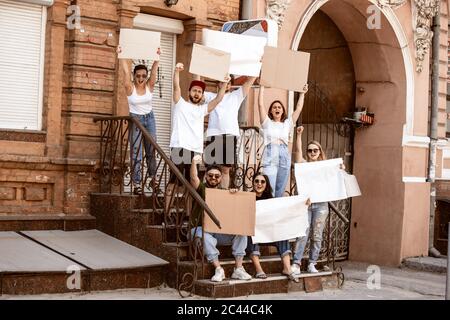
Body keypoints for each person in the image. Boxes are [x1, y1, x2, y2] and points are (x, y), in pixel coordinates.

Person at [189, 155, 252, 282]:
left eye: (216, 176)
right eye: (210, 175)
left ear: (221, 178)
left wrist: (234, 195)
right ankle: (218, 269)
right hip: (199, 230)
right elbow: (193, 178)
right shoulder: (202, 189)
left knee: (242, 232)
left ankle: (238, 269)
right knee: (205, 237)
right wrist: (194, 162)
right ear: (206, 176)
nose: (213, 178)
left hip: (218, 232)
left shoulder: (224, 191)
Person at [291, 126, 344, 274]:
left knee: (317, 235)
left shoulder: (326, 166)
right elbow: (298, 154)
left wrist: (340, 168)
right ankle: (296, 263)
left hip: (321, 205)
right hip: (306, 205)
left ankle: (312, 263)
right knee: (303, 233)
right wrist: (299, 136)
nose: (312, 152)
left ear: (320, 152)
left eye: (315, 150)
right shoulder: (304, 165)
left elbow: (337, 177)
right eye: (310, 150)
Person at [168, 62, 228, 187]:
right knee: (173, 183)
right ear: (189, 91)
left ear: (202, 95)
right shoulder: (180, 104)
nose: (197, 93)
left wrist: (225, 83)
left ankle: (188, 207)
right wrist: (177, 72)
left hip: (195, 150)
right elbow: (176, 87)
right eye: (194, 90)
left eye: (200, 92)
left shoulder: (202, 110)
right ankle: (167, 207)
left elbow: (218, 100)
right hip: (179, 147)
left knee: (193, 183)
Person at [117, 45, 160, 194]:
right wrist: (121, 54)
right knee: (136, 151)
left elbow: (154, 71)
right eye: (138, 76)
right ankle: (136, 184)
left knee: (151, 149)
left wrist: (157, 57)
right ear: (134, 76)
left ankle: (153, 180)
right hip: (135, 120)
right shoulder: (130, 88)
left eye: (143, 76)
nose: (141, 78)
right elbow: (124, 70)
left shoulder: (150, 85)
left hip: (149, 119)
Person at [202, 75, 257, 188]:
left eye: (228, 82)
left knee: (225, 170)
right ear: (218, 84)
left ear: (231, 85)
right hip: (213, 136)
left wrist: (257, 66)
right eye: (222, 82)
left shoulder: (235, 96)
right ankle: (206, 199)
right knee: (209, 170)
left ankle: (223, 198)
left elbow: (249, 82)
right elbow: (198, 92)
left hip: (229, 137)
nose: (225, 84)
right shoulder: (210, 96)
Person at [257, 84, 308, 197]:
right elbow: (260, 105)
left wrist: (302, 94)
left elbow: (298, 109)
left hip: (284, 153)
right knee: (269, 187)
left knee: (280, 188)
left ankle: (276, 212)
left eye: (279, 107)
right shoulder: (267, 123)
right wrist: (262, 87)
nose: (277, 109)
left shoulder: (287, 124)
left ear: (283, 111)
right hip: (271, 153)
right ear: (270, 111)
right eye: (274, 107)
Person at [246, 173, 299, 282]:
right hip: (254, 233)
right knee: (250, 233)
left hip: (269, 233)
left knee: (282, 235)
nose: (259, 184)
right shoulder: (247, 198)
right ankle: (259, 269)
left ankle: (287, 269)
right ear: (253, 183)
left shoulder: (271, 199)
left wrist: (303, 203)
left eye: (262, 181)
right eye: (256, 181)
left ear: (266, 184)